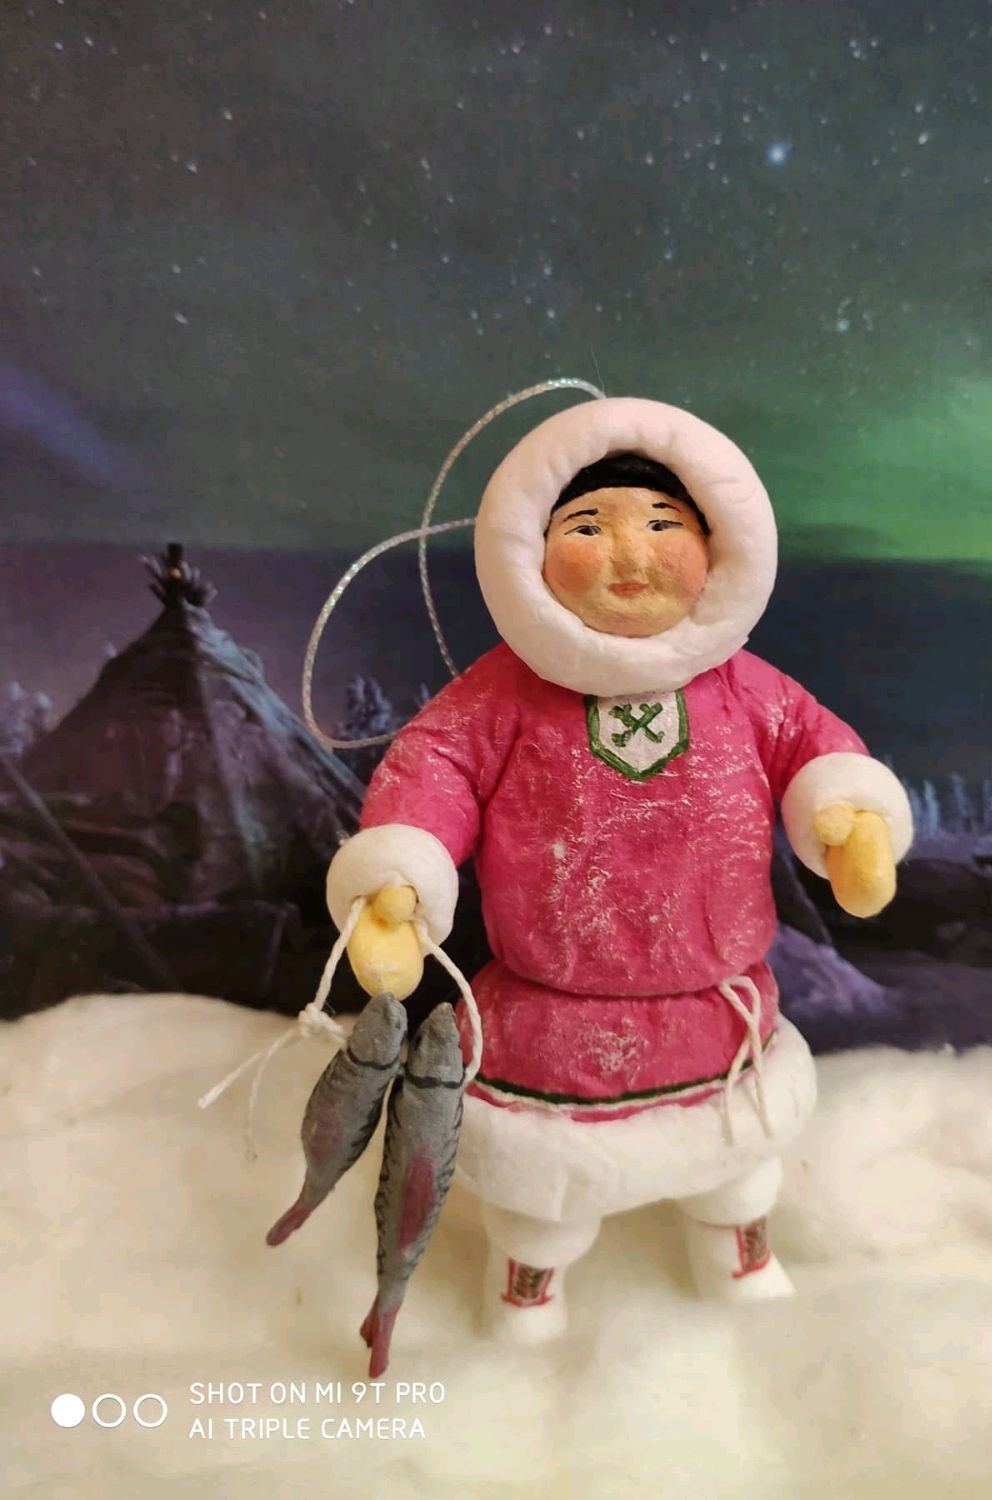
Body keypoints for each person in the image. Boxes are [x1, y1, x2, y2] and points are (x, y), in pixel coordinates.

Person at [327, 396, 912, 1342]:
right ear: (530, 550)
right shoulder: (501, 696)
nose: (630, 555)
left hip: (716, 1013)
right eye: (589, 527)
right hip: (552, 1020)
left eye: (663, 525)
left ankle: (738, 1259)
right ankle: (528, 1294)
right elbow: (432, 772)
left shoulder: (745, 687)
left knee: (735, 1172)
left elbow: (812, 745)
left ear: (717, 545)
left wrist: (850, 820)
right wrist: (402, 874)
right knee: (544, 1202)